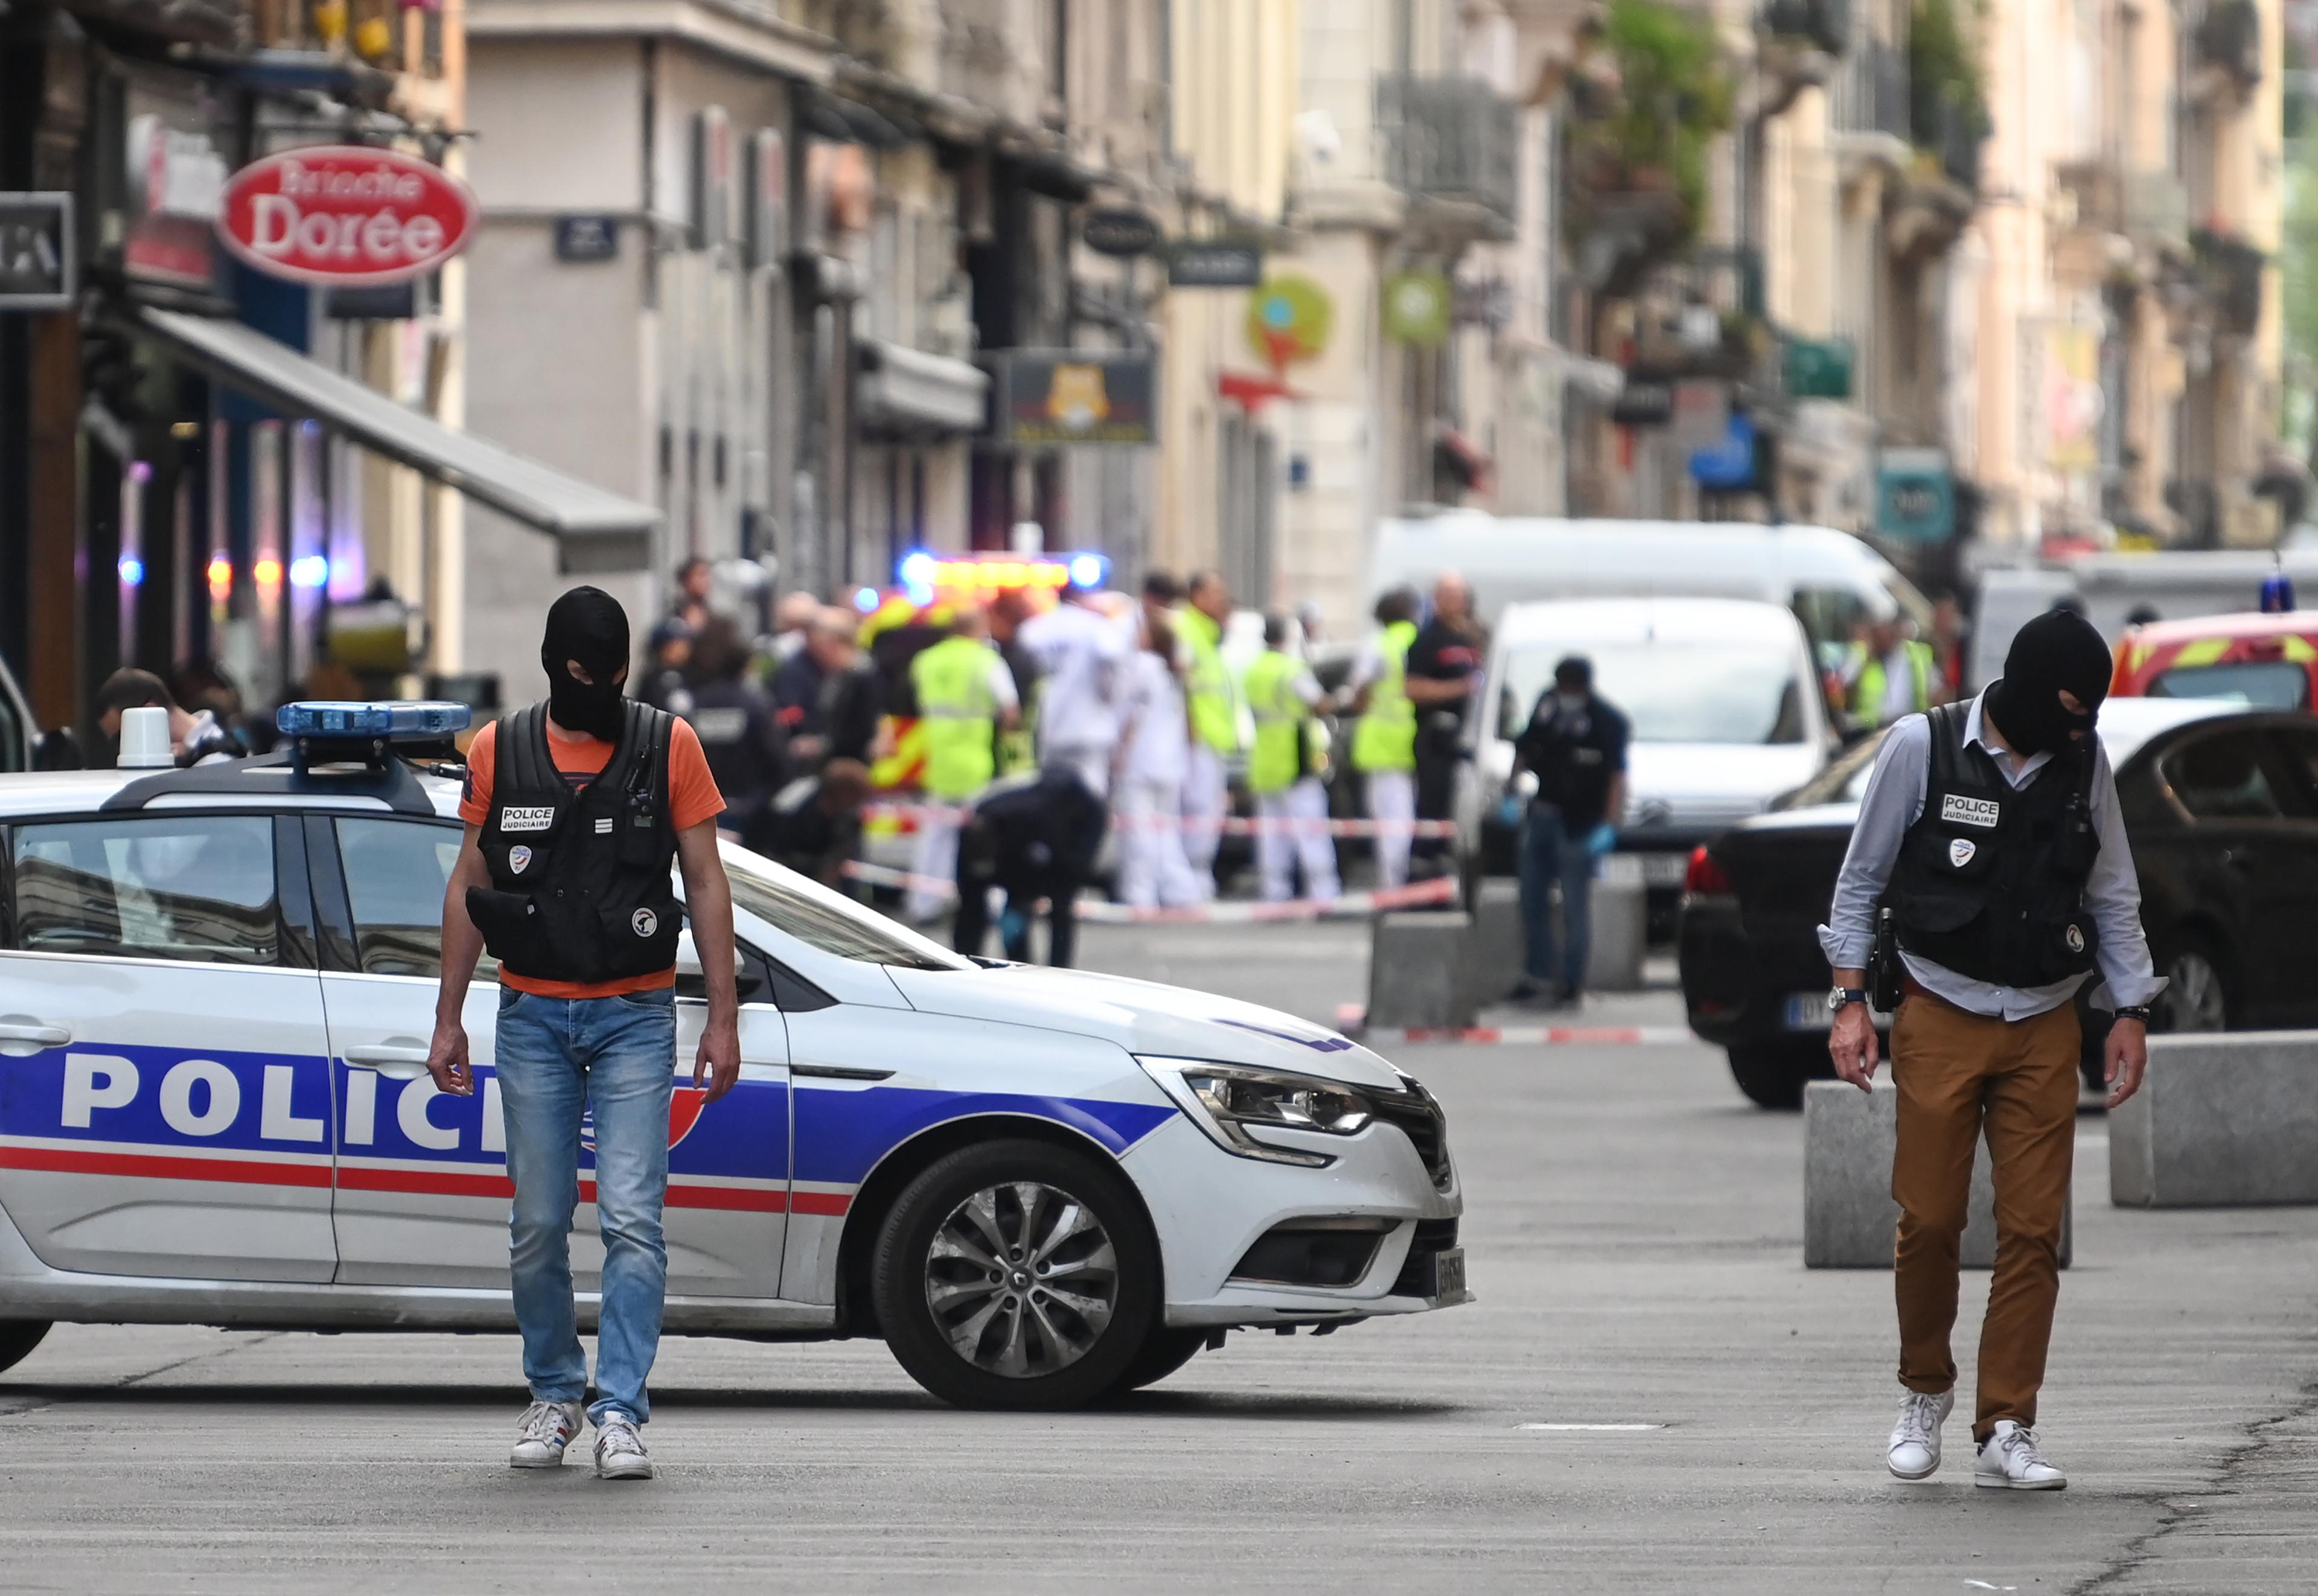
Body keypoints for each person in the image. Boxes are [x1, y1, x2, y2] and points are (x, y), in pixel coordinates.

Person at [1822, 608, 2159, 1493]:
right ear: (2020, 688)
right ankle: (1923, 1392)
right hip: (1940, 1008)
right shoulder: (1920, 747)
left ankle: (2008, 1421)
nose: (2075, 730)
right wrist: (1851, 1004)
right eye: (2065, 710)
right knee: (1929, 1219)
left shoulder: (2086, 765)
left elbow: (2114, 896)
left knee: (2033, 1231)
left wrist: (2130, 1010)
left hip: (2045, 1020)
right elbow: (1860, 878)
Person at [426, 586, 741, 1483]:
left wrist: (721, 1017)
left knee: (634, 1219)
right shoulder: (501, 748)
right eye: (582, 675)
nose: (599, 690)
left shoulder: (668, 745)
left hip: (637, 1014)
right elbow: (469, 883)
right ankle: (556, 1394)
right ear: (554, 667)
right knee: (538, 1222)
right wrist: (448, 1015)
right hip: (529, 1015)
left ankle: (621, 1411)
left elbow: (708, 883)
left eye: (613, 676)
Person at [1508, 656, 1629, 1007]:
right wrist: (1510, 789)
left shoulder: (1608, 721)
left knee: (1576, 904)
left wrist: (1609, 825)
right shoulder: (1548, 707)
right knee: (1531, 899)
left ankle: (1571, 982)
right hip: (1543, 814)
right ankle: (1537, 975)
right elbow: (1525, 748)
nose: (1567, 693)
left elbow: (1617, 777)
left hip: (1581, 823)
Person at [905, 603, 1020, 921]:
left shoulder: (927, 660)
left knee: (934, 838)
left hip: (939, 758)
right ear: (977, 628)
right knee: (985, 837)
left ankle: (924, 903)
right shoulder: (984, 660)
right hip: (974, 761)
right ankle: (992, 906)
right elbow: (1010, 710)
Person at [953, 764, 1108, 967]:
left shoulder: (1069, 814)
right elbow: (969, 903)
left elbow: (1071, 867)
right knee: (979, 907)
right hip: (1012, 845)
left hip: (1055, 847)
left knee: (1058, 905)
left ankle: (1056, 971)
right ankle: (977, 965)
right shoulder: (984, 818)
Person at [1243, 612, 1340, 904]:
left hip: (1264, 761)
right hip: (1295, 761)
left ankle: (1275, 894)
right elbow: (1320, 703)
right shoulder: (1291, 669)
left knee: (1272, 835)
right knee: (1311, 830)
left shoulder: (1254, 669)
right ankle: (1323, 894)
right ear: (1287, 638)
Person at [1113, 613, 1205, 909]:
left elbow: (1132, 715)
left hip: (1141, 761)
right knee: (1166, 831)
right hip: (1170, 762)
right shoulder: (1174, 673)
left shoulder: (1144, 667)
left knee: (1138, 831)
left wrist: (1120, 753)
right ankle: (1180, 890)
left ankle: (1140, 893)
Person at [1016, 581, 1130, 798]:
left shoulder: (1038, 628)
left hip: (1051, 724)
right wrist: (1109, 693)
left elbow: (1024, 654)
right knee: (1091, 791)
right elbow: (1111, 656)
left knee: (1052, 792)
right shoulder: (1097, 627)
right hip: (1091, 724)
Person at [1405, 572, 1487, 873]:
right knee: (1433, 805)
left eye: (1459, 595)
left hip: (1472, 737)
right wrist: (1462, 688)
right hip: (1437, 738)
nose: (1454, 602)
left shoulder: (1474, 636)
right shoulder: (1428, 639)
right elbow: (1412, 689)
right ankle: (1426, 866)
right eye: (1446, 595)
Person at [681, 618, 788, 843]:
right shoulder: (755, 704)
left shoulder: (695, 704)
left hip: (700, 811)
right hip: (748, 811)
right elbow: (776, 759)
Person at [1347, 589, 1422, 889]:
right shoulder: (1420, 639)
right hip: (1419, 738)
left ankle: (1392, 883)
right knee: (1409, 815)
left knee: (1389, 818)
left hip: (1383, 742)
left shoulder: (1378, 645)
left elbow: (1359, 691)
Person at [1175, 570, 1240, 890]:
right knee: (1198, 812)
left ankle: (1195, 877)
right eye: (1216, 594)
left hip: (1211, 740)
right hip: (1197, 740)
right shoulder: (1187, 631)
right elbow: (1182, 687)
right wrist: (1190, 730)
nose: (1223, 601)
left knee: (1208, 811)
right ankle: (1190, 878)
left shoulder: (1209, 636)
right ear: (1197, 597)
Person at [772, 607, 878, 770]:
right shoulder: (840, 676)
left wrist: (820, 746)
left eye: (822, 646)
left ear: (835, 643)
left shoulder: (860, 676)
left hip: (850, 768)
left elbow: (860, 732)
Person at [755, 758, 870, 886]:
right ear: (843, 793)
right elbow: (769, 840)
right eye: (855, 797)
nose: (857, 803)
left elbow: (835, 862)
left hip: (810, 879)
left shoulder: (850, 821)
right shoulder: (796, 800)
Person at [95, 668, 240, 766]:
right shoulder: (203, 750)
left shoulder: (217, 761)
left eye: (121, 738)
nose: (122, 750)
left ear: (151, 714)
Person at [1846, 616, 1935, 732]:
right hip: (1867, 729)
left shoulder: (1917, 655)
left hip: (1907, 727)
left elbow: (1936, 691)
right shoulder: (1863, 654)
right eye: (1877, 634)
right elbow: (1842, 685)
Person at [637, 616, 695, 716]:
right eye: (675, 644)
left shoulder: (693, 675)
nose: (682, 650)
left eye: (685, 644)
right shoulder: (651, 680)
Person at [768, 590, 822, 665]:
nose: (796, 636)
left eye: (804, 627)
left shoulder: (826, 655)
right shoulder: (770, 652)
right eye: (791, 626)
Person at [671, 555, 712, 631]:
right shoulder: (674, 621)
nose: (707, 581)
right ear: (686, 580)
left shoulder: (716, 620)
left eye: (708, 575)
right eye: (701, 575)